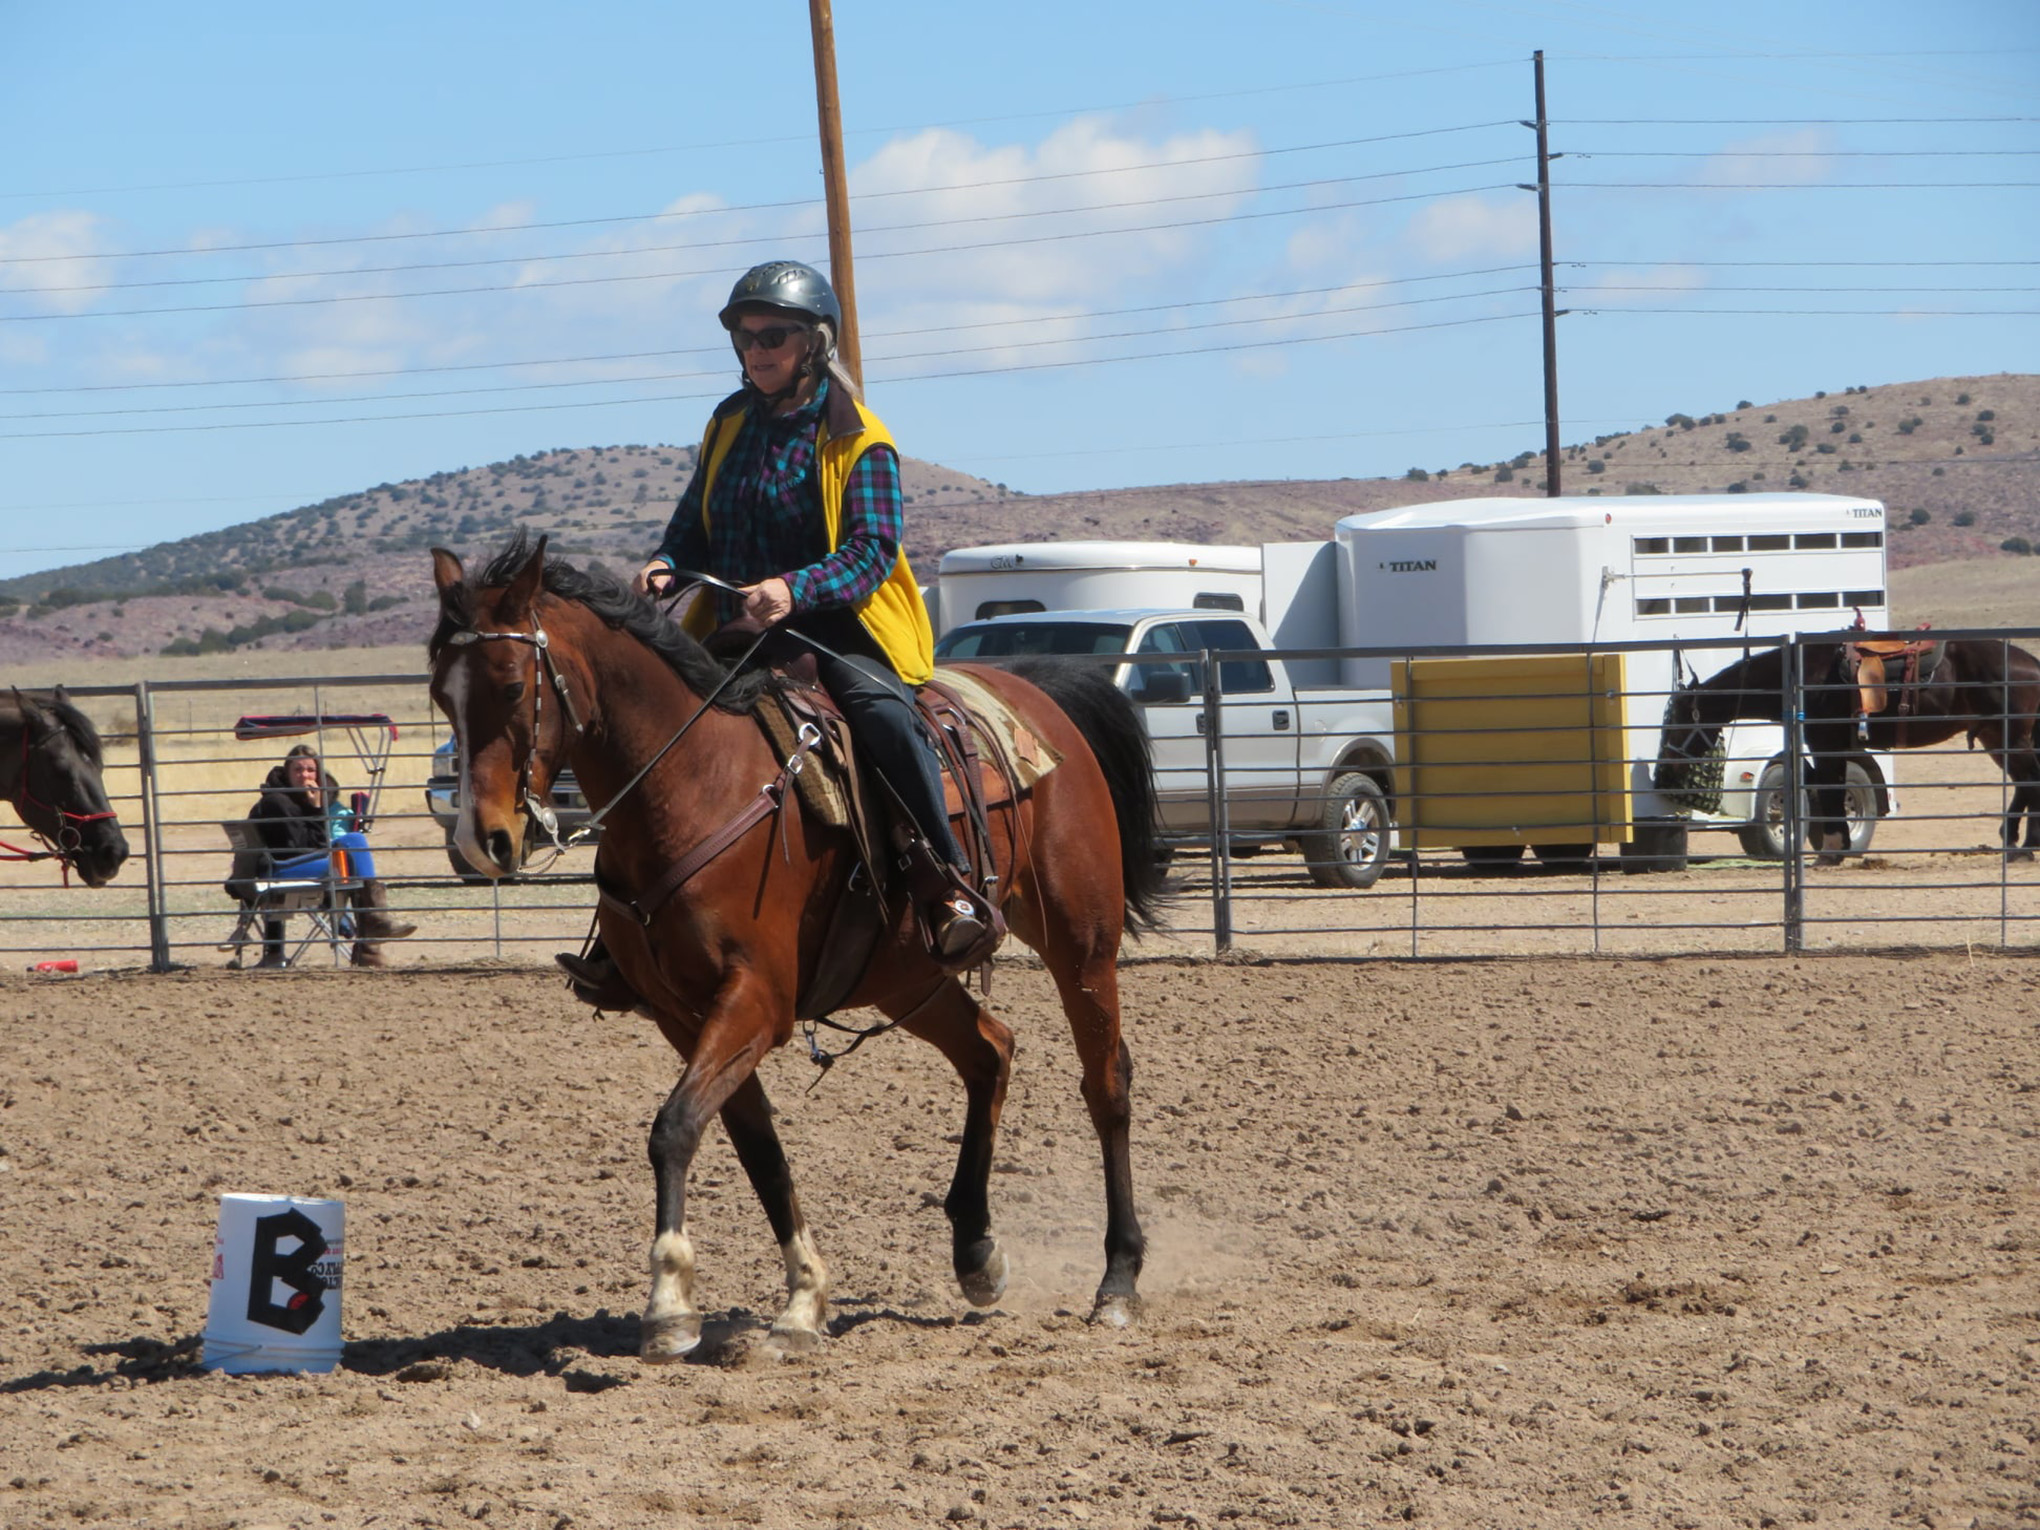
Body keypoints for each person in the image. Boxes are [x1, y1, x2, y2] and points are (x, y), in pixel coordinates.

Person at [556, 259, 993, 1006]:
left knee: (885, 718)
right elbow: (694, 523)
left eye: (774, 335)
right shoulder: (727, 422)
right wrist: (667, 562)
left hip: (841, 627)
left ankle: (942, 882)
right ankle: (622, 929)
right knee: (647, 733)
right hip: (735, 626)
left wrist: (794, 589)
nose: (758, 348)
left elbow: (872, 550)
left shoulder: (861, 437)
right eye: (746, 336)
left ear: (814, 344)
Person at [230, 744, 416, 968]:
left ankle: (373, 928)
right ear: (287, 773)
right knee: (352, 863)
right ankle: (371, 936)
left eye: (310, 770)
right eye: (298, 770)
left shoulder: (296, 800)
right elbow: (302, 848)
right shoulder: (278, 802)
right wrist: (317, 808)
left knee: (353, 844)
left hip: (295, 864)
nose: (305, 775)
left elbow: (310, 844)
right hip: (281, 868)